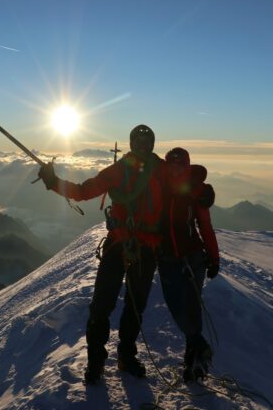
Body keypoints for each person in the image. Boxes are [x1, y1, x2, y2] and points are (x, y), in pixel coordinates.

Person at [37, 124, 166, 384]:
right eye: (139, 142)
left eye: (145, 142)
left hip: (128, 245)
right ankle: (108, 360)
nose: (142, 146)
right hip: (136, 246)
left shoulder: (141, 170)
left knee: (119, 305)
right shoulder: (152, 170)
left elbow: (85, 191)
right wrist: (54, 183)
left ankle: (113, 359)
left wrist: (52, 182)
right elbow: (85, 191)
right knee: (114, 305)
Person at [158, 147, 220, 382]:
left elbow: (205, 226)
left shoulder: (195, 190)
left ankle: (194, 361)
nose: (175, 169)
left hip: (193, 257)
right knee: (176, 306)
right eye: (171, 164)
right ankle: (199, 348)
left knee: (191, 308)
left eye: (180, 165)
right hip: (166, 259)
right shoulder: (159, 186)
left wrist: (214, 259)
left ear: (186, 165)